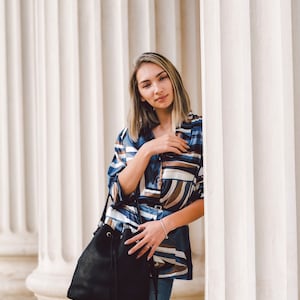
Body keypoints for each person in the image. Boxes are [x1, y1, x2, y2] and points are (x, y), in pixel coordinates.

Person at [104, 52, 204, 300]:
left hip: (162, 249)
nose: (157, 89)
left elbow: (210, 196)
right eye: (146, 84)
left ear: (174, 79)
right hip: (119, 245)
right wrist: (148, 150)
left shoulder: (199, 132)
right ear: (140, 94)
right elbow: (117, 193)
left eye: (162, 78)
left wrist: (163, 226)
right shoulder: (131, 135)